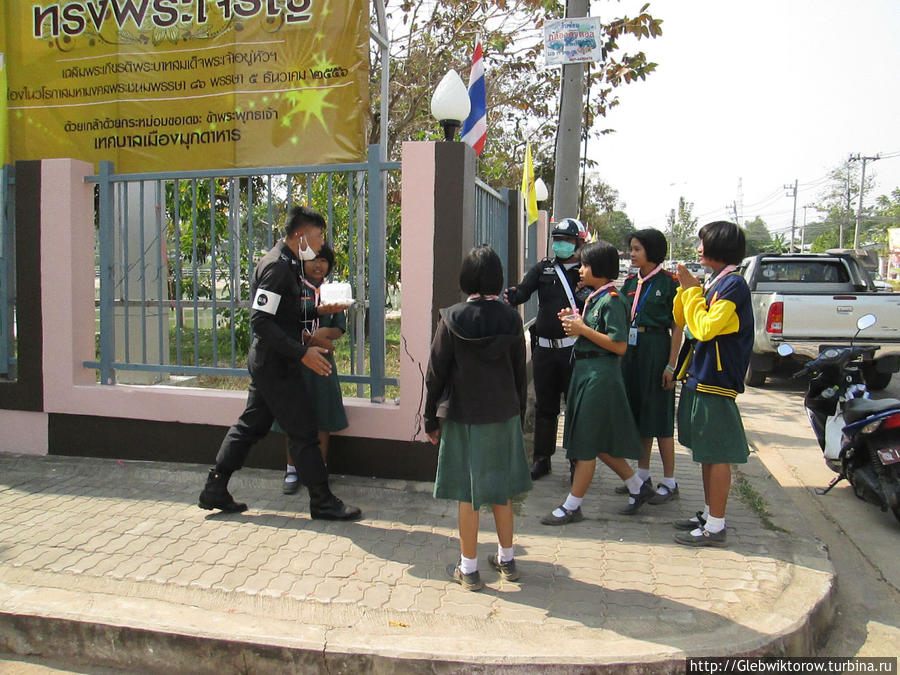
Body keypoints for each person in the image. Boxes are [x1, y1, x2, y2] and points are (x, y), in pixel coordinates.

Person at [198, 206, 361, 521]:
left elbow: (283, 316)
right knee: (303, 431)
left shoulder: (286, 263)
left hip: (272, 360)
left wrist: (320, 310)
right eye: (317, 236)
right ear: (300, 236)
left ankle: (215, 487)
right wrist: (301, 353)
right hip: (277, 364)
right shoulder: (277, 267)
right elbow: (261, 321)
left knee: (251, 425)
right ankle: (323, 502)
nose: (319, 243)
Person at [425, 245, 532, 591]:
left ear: (466, 278)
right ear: (498, 280)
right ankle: (507, 559)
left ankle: (468, 569)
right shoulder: (512, 319)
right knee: (501, 492)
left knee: (468, 496)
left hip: (464, 417)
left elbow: (435, 374)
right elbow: (520, 374)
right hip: (503, 416)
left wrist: (430, 418)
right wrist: (520, 413)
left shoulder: (451, 318)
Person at [540, 241, 653, 525]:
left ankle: (572, 505)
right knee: (594, 440)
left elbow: (619, 345)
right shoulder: (596, 297)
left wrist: (582, 329)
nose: (580, 269)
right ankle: (637, 487)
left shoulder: (612, 300)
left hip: (599, 375)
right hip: (587, 371)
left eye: (586, 265)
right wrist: (576, 324)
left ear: (599, 269)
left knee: (587, 443)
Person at [672, 221, 753, 547]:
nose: (698, 249)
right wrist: (685, 289)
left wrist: (692, 291)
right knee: (706, 453)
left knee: (717, 453)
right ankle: (709, 513)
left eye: (703, 242)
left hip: (716, 382)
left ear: (720, 246)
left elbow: (705, 328)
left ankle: (716, 526)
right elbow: (682, 320)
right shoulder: (715, 282)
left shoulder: (734, 286)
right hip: (699, 377)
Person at [504, 218, 589, 480]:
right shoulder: (544, 268)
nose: (560, 244)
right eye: (557, 239)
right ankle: (542, 459)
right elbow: (523, 291)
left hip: (573, 351)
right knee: (545, 406)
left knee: (575, 407)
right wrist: (512, 295)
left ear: (579, 243)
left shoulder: (587, 272)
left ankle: (577, 462)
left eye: (566, 240)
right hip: (544, 350)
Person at [617, 229, 684, 512]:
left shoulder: (669, 284)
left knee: (659, 416)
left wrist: (672, 364)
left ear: (652, 252)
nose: (631, 254)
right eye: (630, 249)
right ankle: (642, 475)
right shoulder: (631, 282)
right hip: (633, 351)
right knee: (639, 414)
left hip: (657, 348)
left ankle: (670, 481)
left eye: (636, 249)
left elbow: (677, 326)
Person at [280, 243, 349, 495]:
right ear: (302, 262)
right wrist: (312, 339)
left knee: (322, 416)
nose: (319, 265)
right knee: (293, 417)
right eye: (313, 260)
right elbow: (285, 323)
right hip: (296, 361)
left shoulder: (333, 291)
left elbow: (339, 329)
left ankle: (319, 469)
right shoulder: (294, 289)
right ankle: (292, 469)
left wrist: (322, 335)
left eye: (324, 261)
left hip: (322, 363)